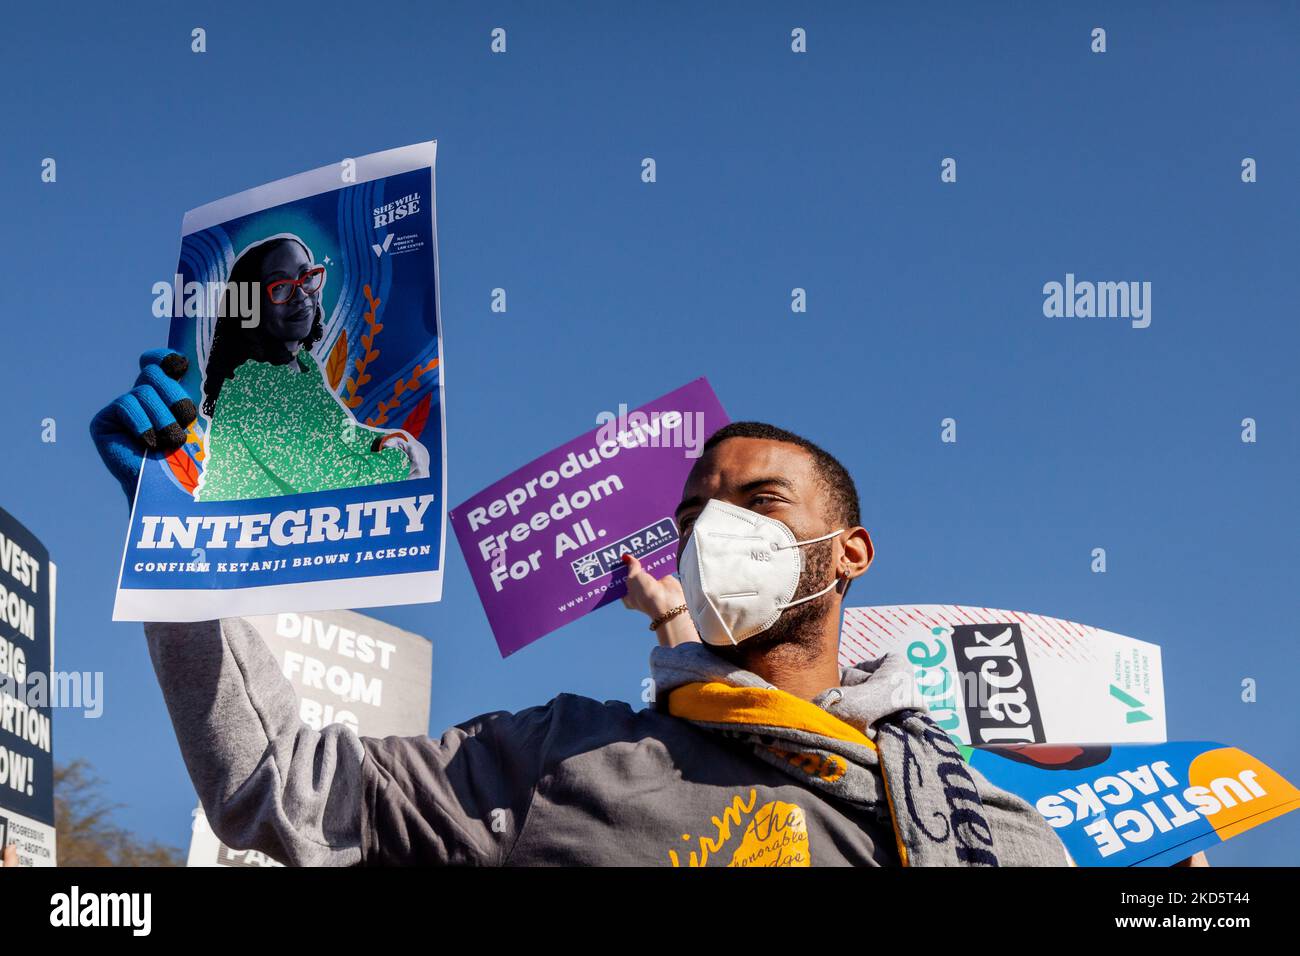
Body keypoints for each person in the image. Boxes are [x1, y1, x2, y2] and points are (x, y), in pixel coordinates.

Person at [92, 369, 1073, 865]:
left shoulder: (990, 825)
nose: (718, 531)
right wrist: (184, 535)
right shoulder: (562, 759)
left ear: (850, 551)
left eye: (761, 503)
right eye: (695, 514)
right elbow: (278, 785)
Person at [90, 237, 427, 505]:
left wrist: (388, 440)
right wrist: (402, 461)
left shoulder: (304, 371)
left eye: (307, 278)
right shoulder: (253, 388)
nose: (302, 296)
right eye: (280, 287)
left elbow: (341, 435)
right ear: (250, 308)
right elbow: (326, 477)